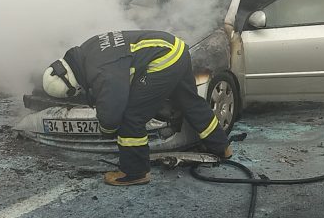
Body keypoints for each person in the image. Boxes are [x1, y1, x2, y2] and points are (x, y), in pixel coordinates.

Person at [42, 30, 231, 186]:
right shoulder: (85, 50)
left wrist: (107, 129)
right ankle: (221, 146)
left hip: (163, 60)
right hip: (176, 48)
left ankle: (135, 172)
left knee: (131, 116)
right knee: (189, 101)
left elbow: (113, 112)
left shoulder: (101, 72)